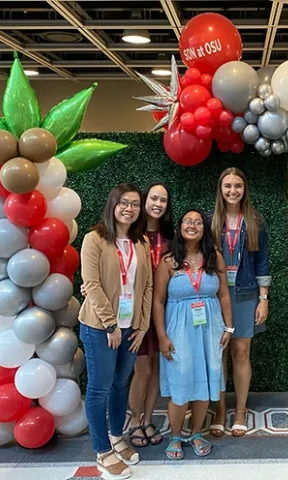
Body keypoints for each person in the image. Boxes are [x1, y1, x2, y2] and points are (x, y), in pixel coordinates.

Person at [79, 183, 153, 479]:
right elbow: (92, 285)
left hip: (131, 328)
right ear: (112, 205)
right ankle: (102, 450)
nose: (129, 209)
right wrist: (111, 324)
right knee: (99, 388)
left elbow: (146, 286)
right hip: (100, 328)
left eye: (135, 204)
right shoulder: (94, 239)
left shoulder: (142, 243)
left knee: (121, 383)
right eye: (123, 203)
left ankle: (116, 435)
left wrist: (143, 324)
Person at [153, 209, 233, 459]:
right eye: (188, 221)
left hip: (210, 328)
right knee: (181, 380)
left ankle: (197, 433)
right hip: (178, 330)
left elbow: (223, 294)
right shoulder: (168, 261)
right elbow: (158, 301)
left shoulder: (214, 257)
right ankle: (175, 436)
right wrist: (162, 337)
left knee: (205, 382)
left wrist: (228, 327)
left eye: (198, 222)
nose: (193, 225)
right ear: (179, 227)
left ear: (204, 229)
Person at [208, 167, 271, 438]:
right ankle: (220, 410)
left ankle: (241, 410)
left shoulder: (255, 221)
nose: (232, 191)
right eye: (227, 186)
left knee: (241, 352)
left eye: (238, 186)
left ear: (244, 190)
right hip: (215, 296)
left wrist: (264, 299)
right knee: (219, 352)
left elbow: (263, 262)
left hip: (246, 295)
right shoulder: (210, 221)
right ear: (220, 190)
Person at [127, 183, 174, 448]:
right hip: (137, 311)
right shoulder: (132, 233)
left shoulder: (170, 236)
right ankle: (134, 421)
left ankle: (147, 420)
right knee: (142, 368)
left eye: (163, 200)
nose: (158, 204)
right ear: (145, 200)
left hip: (165, 311)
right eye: (153, 198)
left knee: (158, 368)